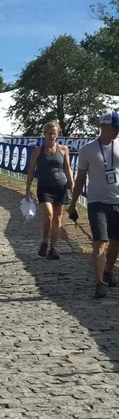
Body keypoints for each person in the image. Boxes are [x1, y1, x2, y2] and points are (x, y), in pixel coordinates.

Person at [68, 110, 119, 298]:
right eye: (115, 128)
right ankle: (99, 282)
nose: (117, 132)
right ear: (104, 126)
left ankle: (107, 272)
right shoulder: (88, 149)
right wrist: (73, 204)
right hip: (97, 202)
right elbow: (80, 178)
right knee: (100, 242)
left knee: (115, 243)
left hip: (117, 201)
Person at [24, 121, 74, 260]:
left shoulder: (63, 149)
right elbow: (31, 171)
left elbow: (67, 168)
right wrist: (27, 190)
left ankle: (53, 248)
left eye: (55, 133)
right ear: (45, 134)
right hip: (44, 188)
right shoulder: (38, 151)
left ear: (58, 134)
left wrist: (72, 184)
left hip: (60, 187)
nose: (52, 136)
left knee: (57, 219)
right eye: (49, 133)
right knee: (48, 215)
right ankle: (44, 242)